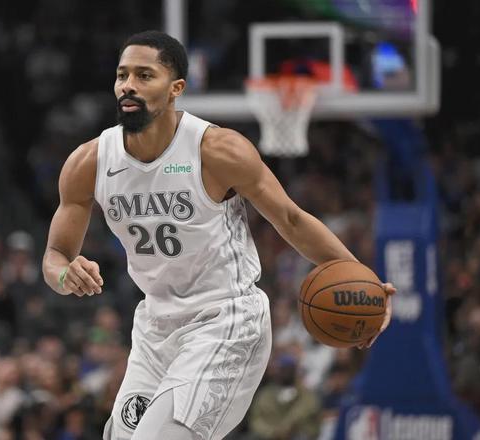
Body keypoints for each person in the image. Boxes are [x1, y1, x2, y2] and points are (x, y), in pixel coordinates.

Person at [42, 30, 396, 440]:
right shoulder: (89, 162)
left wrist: (361, 279)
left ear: (175, 88)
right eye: (123, 75)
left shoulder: (217, 150)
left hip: (226, 320)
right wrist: (65, 274)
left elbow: (291, 219)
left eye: (144, 75)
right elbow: (54, 255)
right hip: (156, 326)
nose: (128, 85)